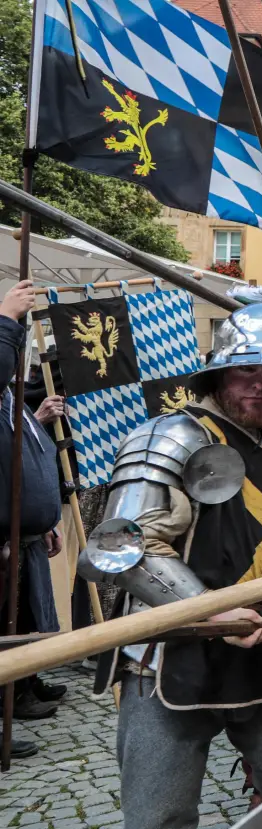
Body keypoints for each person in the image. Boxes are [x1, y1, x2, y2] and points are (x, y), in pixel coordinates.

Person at [78, 302, 262, 829]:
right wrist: (209, 611)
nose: (257, 383)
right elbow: (117, 548)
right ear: (219, 374)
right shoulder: (168, 436)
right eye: (244, 370)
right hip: (175, 660)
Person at [0, 280, 64, 757]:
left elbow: (24, 455)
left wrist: (46, 520)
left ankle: (23, 688)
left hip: (26, 533)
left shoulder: (6, 399)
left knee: (24, 616)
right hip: (4, 535)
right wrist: (8, 317)